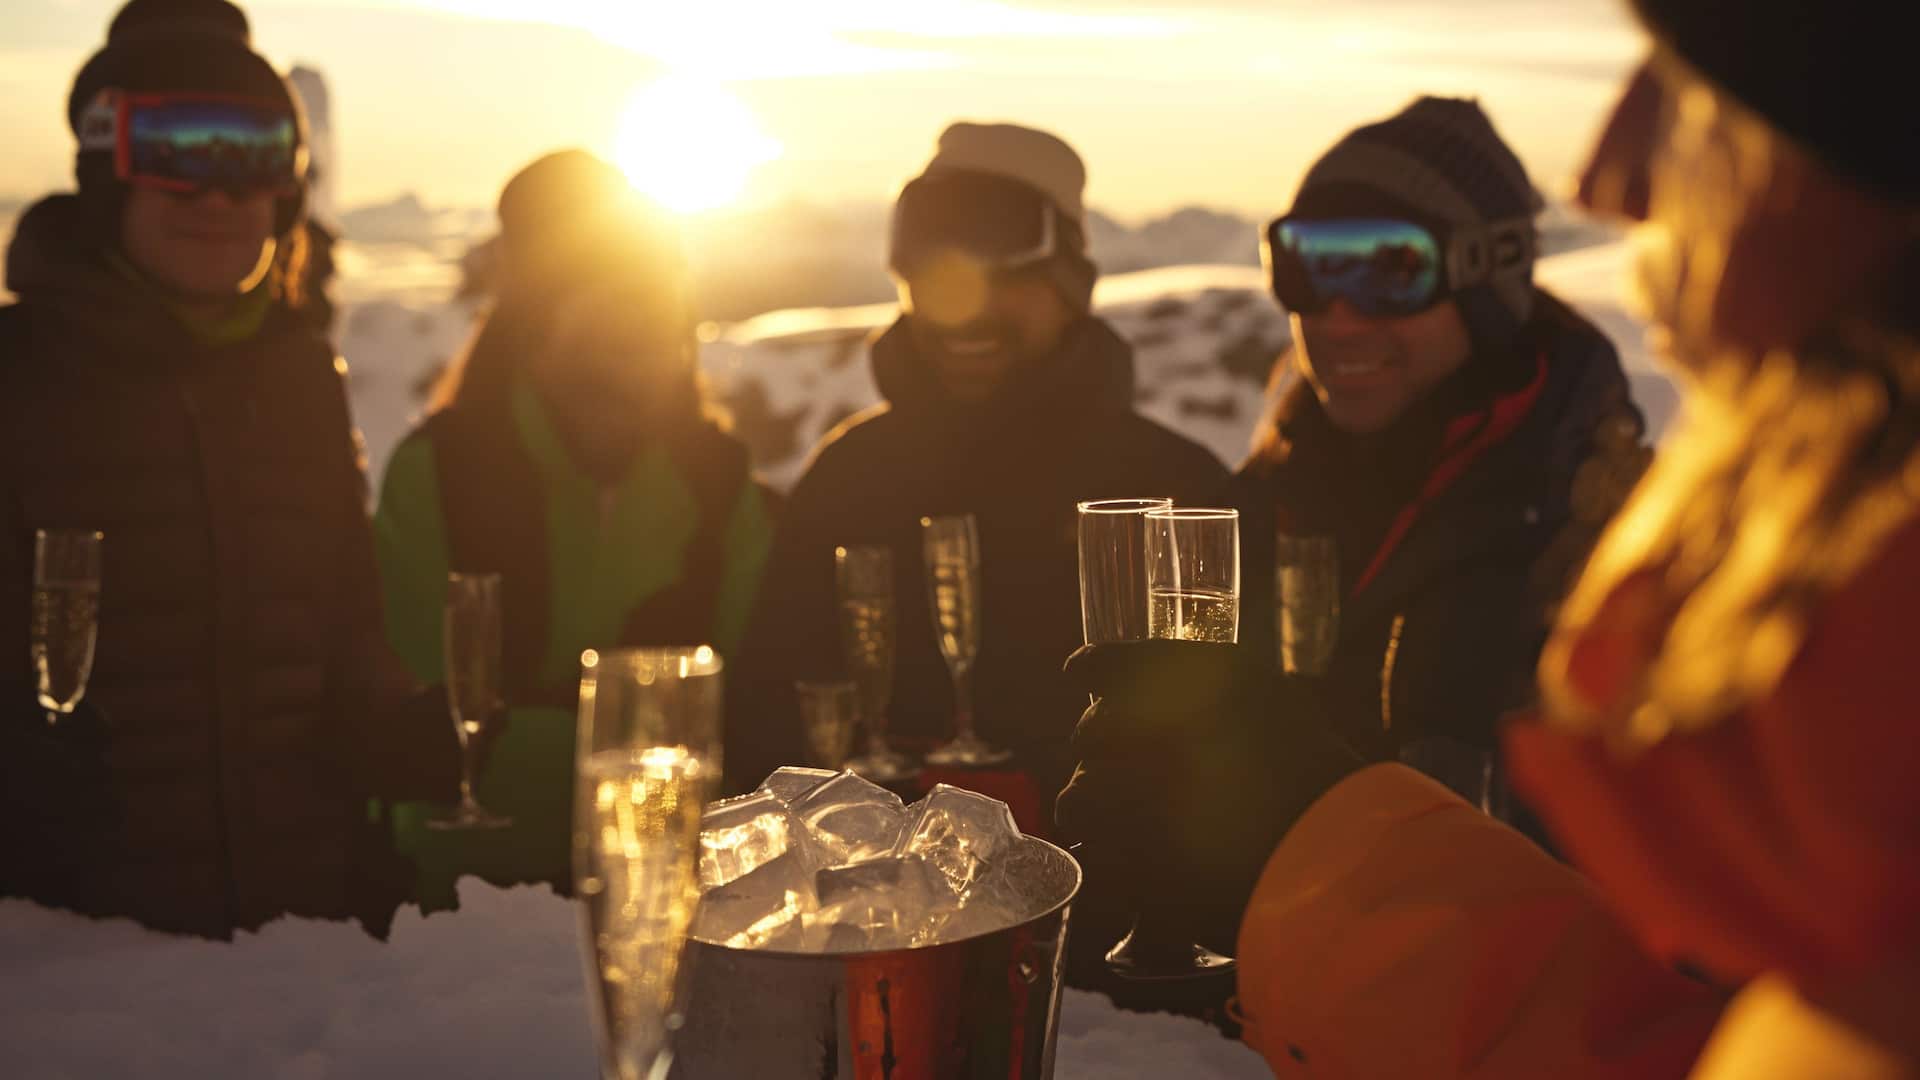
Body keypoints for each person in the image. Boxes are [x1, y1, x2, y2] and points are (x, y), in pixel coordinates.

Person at [1060, 0, 1920, 1074]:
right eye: (1303, 263)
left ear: (1491, 278)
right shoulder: (1251, 515)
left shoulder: (1630, 564)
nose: (1607, 176)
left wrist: (1309, 860)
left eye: (1381, 264)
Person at [0, 3, 453, 940]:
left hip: (294, 951)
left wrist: (396, 729)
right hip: (67, 968)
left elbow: (344, 638)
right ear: (103, 168)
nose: (216, 196)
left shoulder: (299, 385)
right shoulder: (19, 383)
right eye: (172, 147)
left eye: (250, 153)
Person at [726, 122, 1227, 817]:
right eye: (940, 280)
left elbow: (1229, 746)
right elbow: (763, 731)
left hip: (1114, 907)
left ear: (1071, 289)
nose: (969, 309)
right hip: (878, 908)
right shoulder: (848, 479)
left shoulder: (1173, 490)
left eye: (1013, 277)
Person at [372, 150, 774, 911]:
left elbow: (748, 715)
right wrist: (645, 744)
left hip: (670, 906)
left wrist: (535, 737)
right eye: (604, 313)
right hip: (457, 911)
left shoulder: (719, 487)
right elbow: (423, 726)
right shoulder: (441, 473)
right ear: (539, 325)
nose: (634, 344)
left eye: (653, 313)